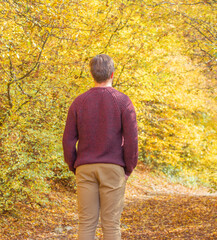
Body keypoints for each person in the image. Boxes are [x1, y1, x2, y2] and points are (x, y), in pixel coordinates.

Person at [62, 54, 138, 240]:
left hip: (85, 168)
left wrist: (74, 165)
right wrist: (128, 167)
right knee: (111, 224)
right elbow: (132, 139)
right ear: (112, 74)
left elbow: (68, 140)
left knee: (86, 223)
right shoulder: (123, 101)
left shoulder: (79, 102)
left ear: (92, 74)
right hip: (113, 168)